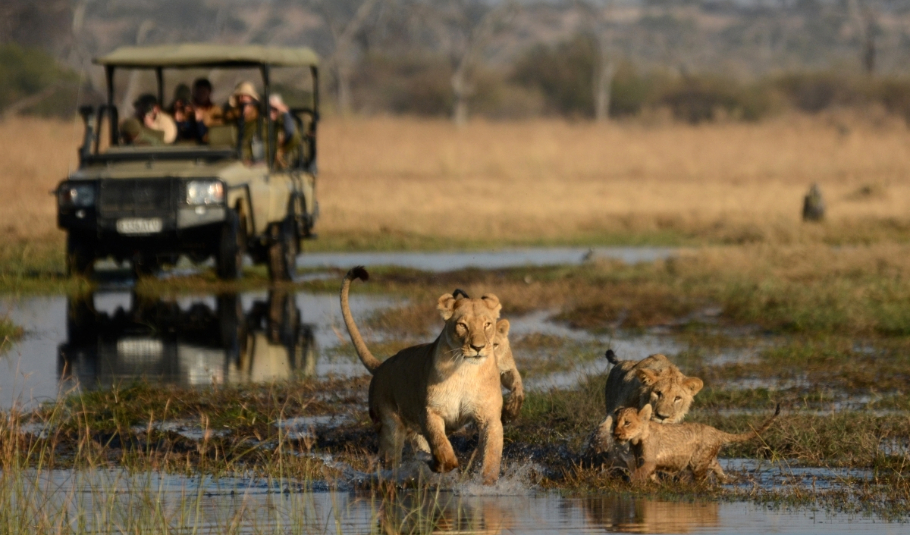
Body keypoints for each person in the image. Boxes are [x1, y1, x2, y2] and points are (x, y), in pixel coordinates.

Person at [228, 81, 265, 163]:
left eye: (245, 96)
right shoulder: (232, 120)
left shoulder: (260, 123)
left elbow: (263, 150)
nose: (241, 99)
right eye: (239, 97)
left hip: (252, 164)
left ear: (252, 100)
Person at [269, 94, 302, 169]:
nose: (271, 112)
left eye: (274, 109)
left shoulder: (284, 124)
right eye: (269, 108)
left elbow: (292, 135)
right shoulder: (264, 123)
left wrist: (286, 114)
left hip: (282, 164)